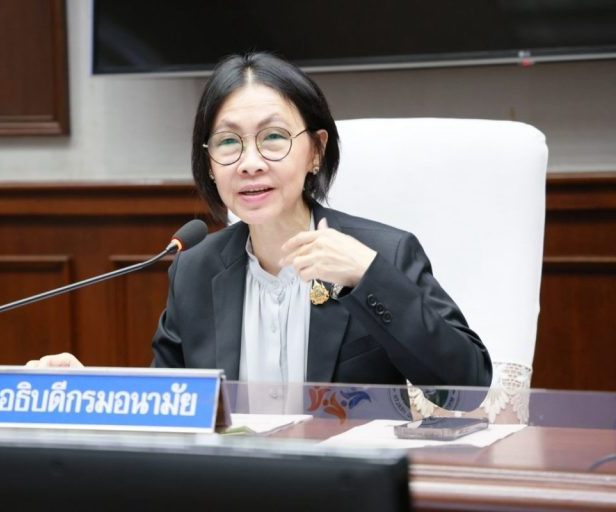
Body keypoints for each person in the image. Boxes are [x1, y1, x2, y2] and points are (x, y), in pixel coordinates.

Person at [29, 52, 492, 389]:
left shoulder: (383, 253)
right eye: (228, 142)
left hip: (342, 481)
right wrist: (88, 390)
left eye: (273, 137)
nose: (250, 163)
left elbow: (467, 384)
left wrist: (368, 278)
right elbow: (171, 403)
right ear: (210, 164)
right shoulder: (195, 269)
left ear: (315, 151)